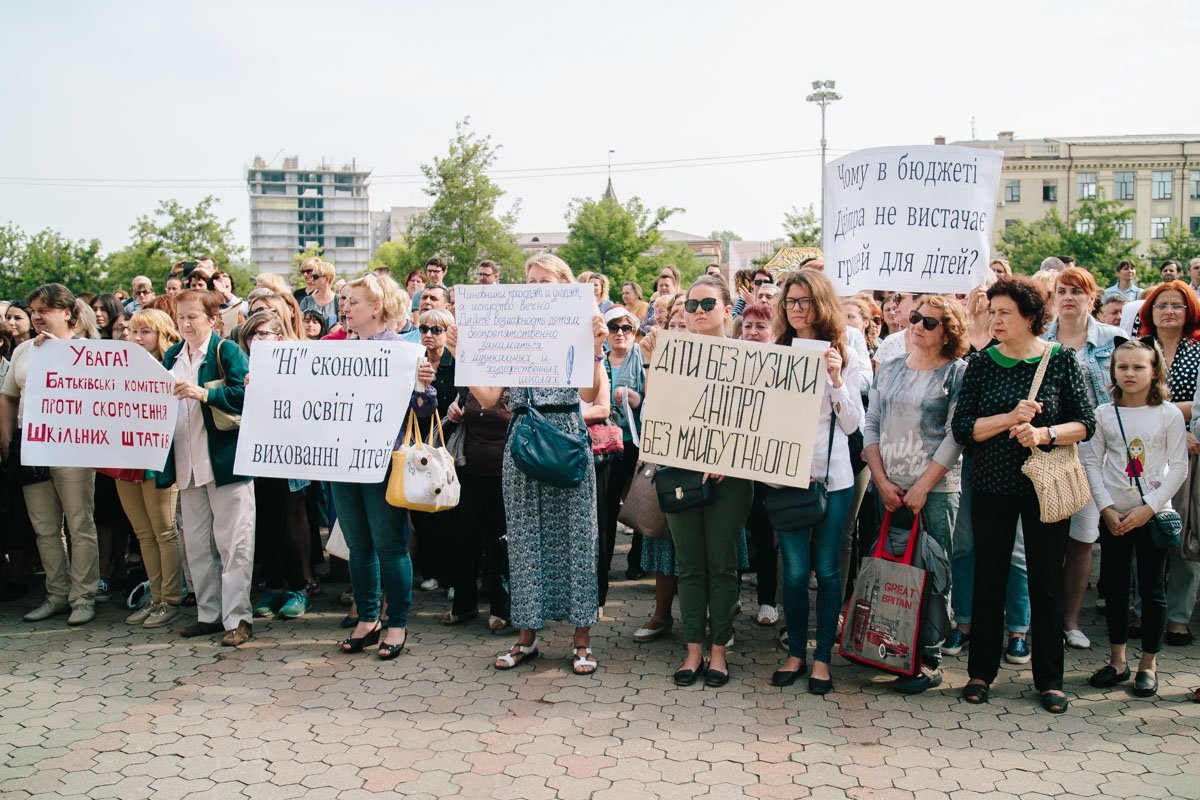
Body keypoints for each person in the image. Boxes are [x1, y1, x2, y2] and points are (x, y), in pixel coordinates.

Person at [951, 276, 1095, 713]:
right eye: (992, 311)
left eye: (1005, 312)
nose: (995, 319)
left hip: (1045, 487)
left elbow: (1086, 423)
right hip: (993, 486)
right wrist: (1009, 417)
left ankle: (1050, 679)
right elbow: (964, 429)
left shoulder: (1062, 361)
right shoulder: (981, 363)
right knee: (989, 580)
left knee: (1046, 584)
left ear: (1030, 317)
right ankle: (981, 673)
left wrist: (1044, 432)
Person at [470, 254, 608, 676]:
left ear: (566, 286)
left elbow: (589, 394)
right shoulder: (515, 328)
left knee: (577, 538)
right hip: (524, 436)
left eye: (543, 281)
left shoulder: (581, 324)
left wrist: (597, 347)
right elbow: (490, 398)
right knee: (525, 540)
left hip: (566, 432)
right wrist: (466, 354)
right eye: (529, 281)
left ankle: (581, 641)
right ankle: (526, 638)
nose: (534, 288)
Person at [863, 295, 968, 693]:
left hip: (936, 490)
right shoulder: (889, 368)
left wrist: (922, 487)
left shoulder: (957, 373)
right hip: (888, 486)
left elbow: (956, 434)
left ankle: (928, 658)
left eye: (930, 322)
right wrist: (881, 479)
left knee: (932, 572)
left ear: (949, 332)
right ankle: (888, 645)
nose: (919, 326)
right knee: (891, 570)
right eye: (915, 318)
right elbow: (872, 424)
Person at [769, 270, 864, 694]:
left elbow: (852, 424)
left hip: (833, 477)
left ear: (820, 303)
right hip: (786, 478)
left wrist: (837, 379)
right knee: (793, 572)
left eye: (804, 301)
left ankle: (822, 656)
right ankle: (795, 654)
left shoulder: (846, 348)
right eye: (790, 301)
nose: (796, 309)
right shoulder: (775, 351)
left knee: (826, 569)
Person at [657, 275, 753, 688]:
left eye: (707, 304)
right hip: (681, 472)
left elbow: (758, 420)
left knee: (722, 563)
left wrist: (726, 456)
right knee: (690, 565)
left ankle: (719, 651)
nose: (698, 312)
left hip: (730, 478)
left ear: (728, 307)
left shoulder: (750, 357)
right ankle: (692, 649)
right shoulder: (670, 355)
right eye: (691, 305)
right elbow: (660, 417)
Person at [334, 274, 436, 660]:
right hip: (342, 463)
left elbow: (425, 412)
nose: (345, 308)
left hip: (381, 463)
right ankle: (367, 618)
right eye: (344, 302)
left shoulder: (403, 351)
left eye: (353, 302)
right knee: (358, 545)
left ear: (375, 308)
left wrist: (424, 387)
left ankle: (397, 622)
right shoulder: (335, 352)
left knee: (389, 545)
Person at [1082, 340, 1187, 698]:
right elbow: (1092, 462)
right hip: (1114, 516)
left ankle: (1149, 664)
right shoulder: (1103, 414)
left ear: (1153, 370)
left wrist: (1149, 509)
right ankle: (1118, 660)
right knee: (1113, 586)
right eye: (1122, 367)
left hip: (1152, 516)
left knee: (1152, 590)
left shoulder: (1169, 414)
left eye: (1138, 367)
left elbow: (1178, 469)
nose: (1129, 373)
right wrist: (1107, 508)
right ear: (1113, 371)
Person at [0, 285, 100, 626]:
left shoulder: (87, 350)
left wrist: (61, 353)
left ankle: (83, 596)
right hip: (32, 445)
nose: (37, 316)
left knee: (79, 523)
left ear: (67, 313)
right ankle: (56, 594)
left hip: (74, 448)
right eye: (33, 309)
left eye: (45, 309)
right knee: (45, 527)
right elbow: (9, 396)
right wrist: (7, 440)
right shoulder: (23, 351)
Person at [162, 289, 256, 647]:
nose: (185, 324)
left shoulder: (226, 351)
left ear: (212, 319)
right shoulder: (172, 355)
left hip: (224, 462)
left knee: (234, 542)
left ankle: (238, 618)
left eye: (193, 317)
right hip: (187, 464)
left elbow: (246, 394)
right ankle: (209, 614)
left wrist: (205, 394)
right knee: (198, 545)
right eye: (181, 317)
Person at [1041, 267, 1123, 650]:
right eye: (1063, 290)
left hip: (1095, 451)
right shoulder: (1039, 341)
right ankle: (1040, 618)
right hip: (1048, 448)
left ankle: (1070, 621)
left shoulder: (1114, 339)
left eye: (1078, 291)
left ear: (1093, 298)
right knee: (1044, 537)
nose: (1069, 297)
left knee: (1083, 537)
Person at [236, 311, 312, 621]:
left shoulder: (297, 368)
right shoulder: (240, 367)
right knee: (262, 529)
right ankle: (275, 587)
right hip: (255, 459)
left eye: (265, 334)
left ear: (279, 338)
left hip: (286, 458)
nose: (258, 340)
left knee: (280, 526)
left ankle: (298, 588)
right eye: (253, 335)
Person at [1137, 280, 1200, 647]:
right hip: (1142, 452)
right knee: (1143, 530)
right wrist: (1174, 418)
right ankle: (1142, 610)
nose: (1169, 311)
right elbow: (1130, 395)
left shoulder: (1198, 350)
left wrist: (1166, 418)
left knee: (1185, 536)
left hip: (1190, 451)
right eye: (1161, 305)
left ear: (1189, 311)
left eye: (1177, 305)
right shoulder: (1140, 349)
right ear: (1150, 312)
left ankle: (1177, 617)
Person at [116, 309, 184, 628]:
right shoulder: (118, 366)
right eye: (132, 331)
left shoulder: (172, 364)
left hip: (159, 458)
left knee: (164, 530)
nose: (136, 338)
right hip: (126, 456)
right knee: (143, 532)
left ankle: (170, 599)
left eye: (145, 331)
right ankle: (155, 596)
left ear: (161, 334)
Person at [632, 301, 689, 643]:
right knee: (665, 540)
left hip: (709, 463)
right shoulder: (658, 362)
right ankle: (661, 614)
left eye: (687, 325)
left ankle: (711, 617)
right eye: (676, 325)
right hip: (670, 457)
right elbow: (649, 413)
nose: (682, 331)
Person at [443, 385, 513, 631]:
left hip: (505, 475)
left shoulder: (517, 380)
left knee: (500, 542)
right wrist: (454, 409)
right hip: (468, 472)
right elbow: (457, 405)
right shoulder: (469, 383)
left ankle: (502, 608)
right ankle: (464, 605)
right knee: (465, 539)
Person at [409, 308, 456, 593]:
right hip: (419, 441)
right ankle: (432, 570)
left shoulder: (456, 363)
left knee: (449, 512)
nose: (428, 335)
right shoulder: (413, 360)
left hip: (450, 443)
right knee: (422, 510)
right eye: (424, 329)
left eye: (436, 330)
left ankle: (452, 575)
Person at [600, 306, 645, 590]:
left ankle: (636, 561)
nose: (620, 333)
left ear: (634, 332)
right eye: (614, 327)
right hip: (606, 442)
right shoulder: (598, 361)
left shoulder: (642, 360)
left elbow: (651, 398)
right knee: (606, 504)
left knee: (640, 502)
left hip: (635, 442)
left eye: (626, 328)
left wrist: (633, 397)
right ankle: (601, 563)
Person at [876, 292, 917, 361]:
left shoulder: (938, 341)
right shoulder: (889, 342)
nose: (894, 306)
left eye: (899, 298)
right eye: (887, 310)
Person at [299, 260, 339, 328]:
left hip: (333, 338)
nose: (312, 280)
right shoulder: (306, 301)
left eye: (315, 277)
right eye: (311, 277)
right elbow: (301, 325)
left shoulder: (338, 300)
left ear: (327, 279)